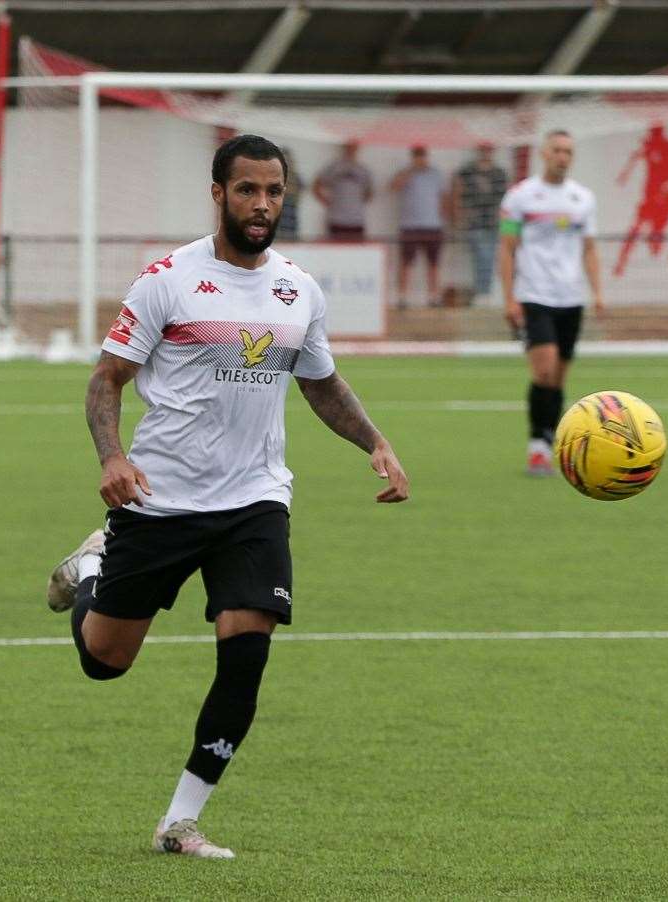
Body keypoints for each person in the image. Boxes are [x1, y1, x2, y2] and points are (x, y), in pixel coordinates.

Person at [45, 133, 409, 860]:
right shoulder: (166, 280)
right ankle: (89, 569)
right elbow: (105, 381)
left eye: (274, 191)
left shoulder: (298, 290)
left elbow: (321, 382)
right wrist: (113, 457)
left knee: (247, 654)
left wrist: (375, 441)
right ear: (219, 193)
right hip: (161, 498)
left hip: (255, 501)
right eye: (247, 189)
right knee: (105, 660)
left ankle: (179, 822)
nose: (262, 204)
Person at [499, 129, 604, 476]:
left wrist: (598, 292)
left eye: (568, 152)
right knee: (543, 370)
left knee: (558, 378)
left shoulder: (583, 198)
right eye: (557, 150)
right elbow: (507, 248)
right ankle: (536, 447)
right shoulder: (521, 197)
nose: (563, 156)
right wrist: (510, 297)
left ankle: (550, 442)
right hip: (535, 295)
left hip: (571, 298)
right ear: (544, 153)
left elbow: (589, 249)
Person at [614, 124, 668, 277]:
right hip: (650, 199)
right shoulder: (649, 147)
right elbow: (636, 156)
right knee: (635, 230)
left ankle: (656, 251)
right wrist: (624, 174)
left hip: (667, 201)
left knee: (656, 232)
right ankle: (621, 263)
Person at [451, 143, 509, 305]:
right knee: (481, 256)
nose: (486, 152)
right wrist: (457, 218)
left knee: (488, 257)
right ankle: (483, 292)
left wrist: (508, 226)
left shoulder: (499, 173)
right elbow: (457, 192)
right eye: (483, 149)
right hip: (474, 221)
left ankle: (484, 292)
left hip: (493, 222)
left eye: (489, 149)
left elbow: (507, 202)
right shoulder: (467, 171)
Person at [391, 145, 447, 307]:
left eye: (422, 156)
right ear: (412, 157)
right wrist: (411, 171)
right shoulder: (405, 173)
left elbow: (443, 198)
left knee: (434, 263)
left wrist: (445, 217)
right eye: (417, 156)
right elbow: (394, 187)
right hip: (410, 225)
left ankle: (434, 297)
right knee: (406, 262)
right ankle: (402, 297)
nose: (420, 159)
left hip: (433, 225)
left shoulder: (436, 174)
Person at [312, 141, 372, 241]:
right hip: (336, 219)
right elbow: (317, 185)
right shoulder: (334, 167)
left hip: (357, 220)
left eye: (354, 147)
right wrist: (326, 201)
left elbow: (369, 192)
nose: (351, 149)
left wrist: (356, 203)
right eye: (349, 146)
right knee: (336, 252)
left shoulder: (363, 170)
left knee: (357, 253)